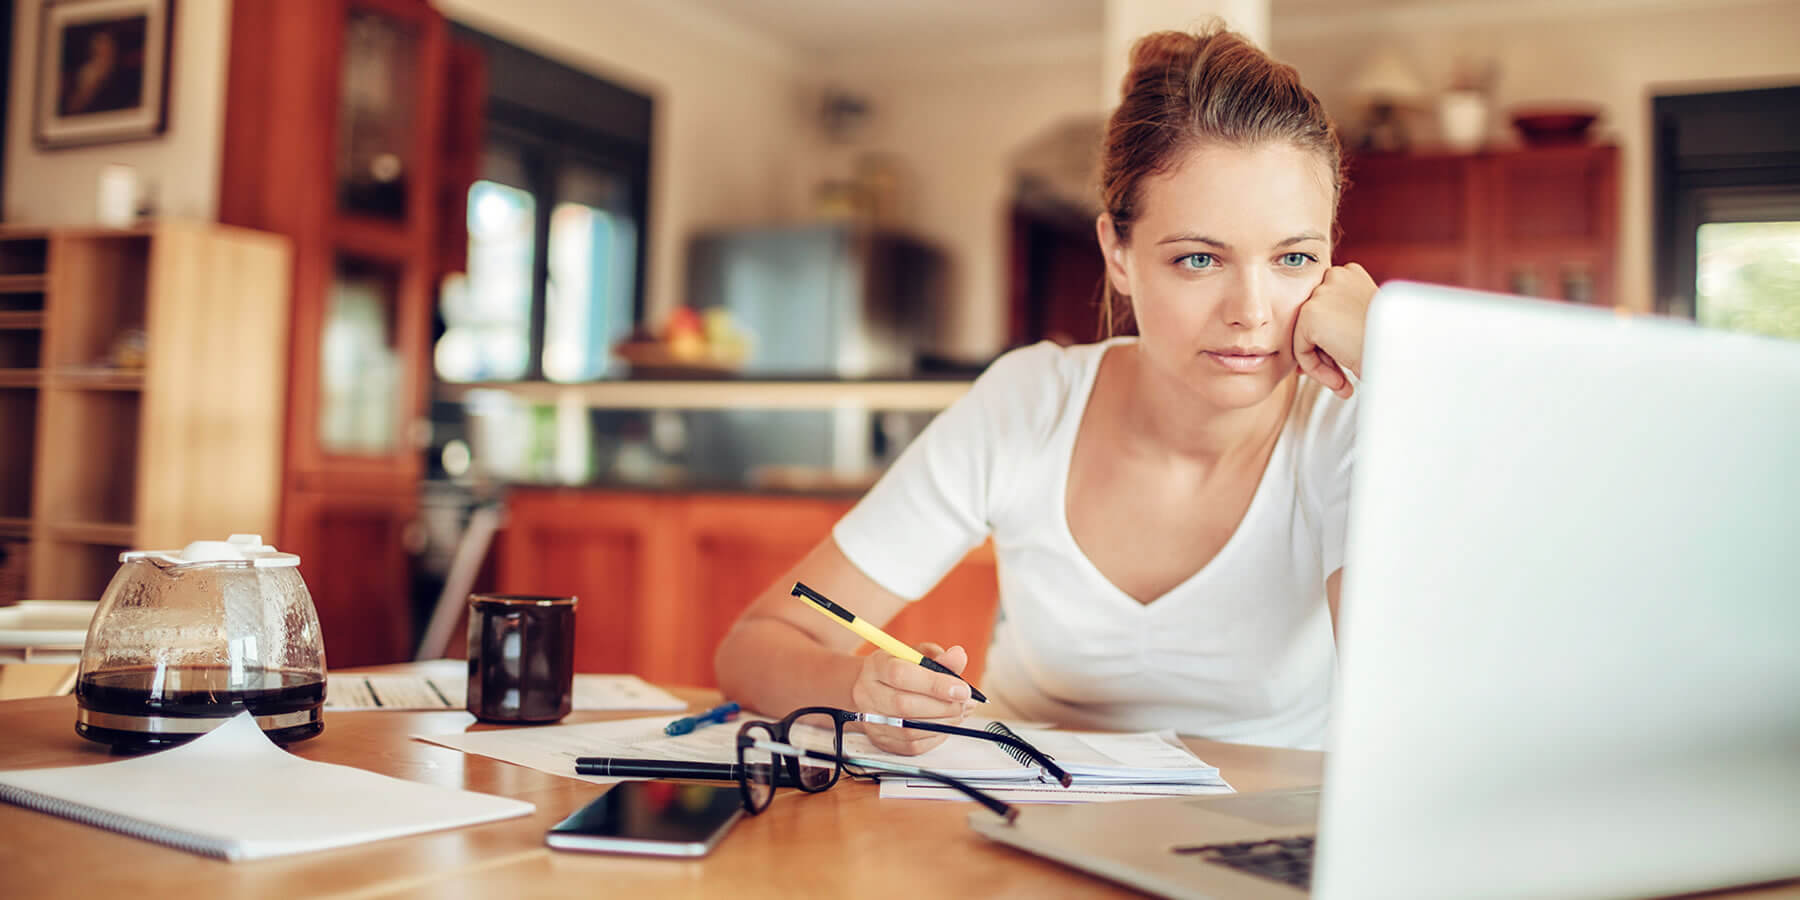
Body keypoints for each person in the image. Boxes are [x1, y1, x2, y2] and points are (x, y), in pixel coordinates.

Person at [714, 24, 1376, 754]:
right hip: (1029, 822)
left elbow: (1415, 704)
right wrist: (860, 694)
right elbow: (756, 645)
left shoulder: (1350, 423)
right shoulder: (1030, 404)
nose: (1251, 312)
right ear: (1117, 254)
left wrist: (1392, 355)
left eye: (1293, 258)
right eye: (1197, 258)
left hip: (1260, 846)